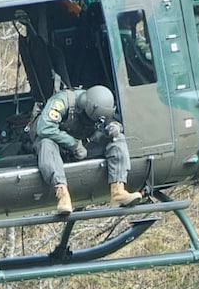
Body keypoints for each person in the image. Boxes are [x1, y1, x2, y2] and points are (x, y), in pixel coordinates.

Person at [32, 85, 141, 215]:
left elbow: (111, 120)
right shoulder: (62, 101)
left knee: (117, 139)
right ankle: (62, 195)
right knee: (46, 144)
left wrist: (114, 126)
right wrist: (74, 144)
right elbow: (45, 128)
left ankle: (118, 191)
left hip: (84, 145)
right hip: (59, 147)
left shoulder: (101, 106)